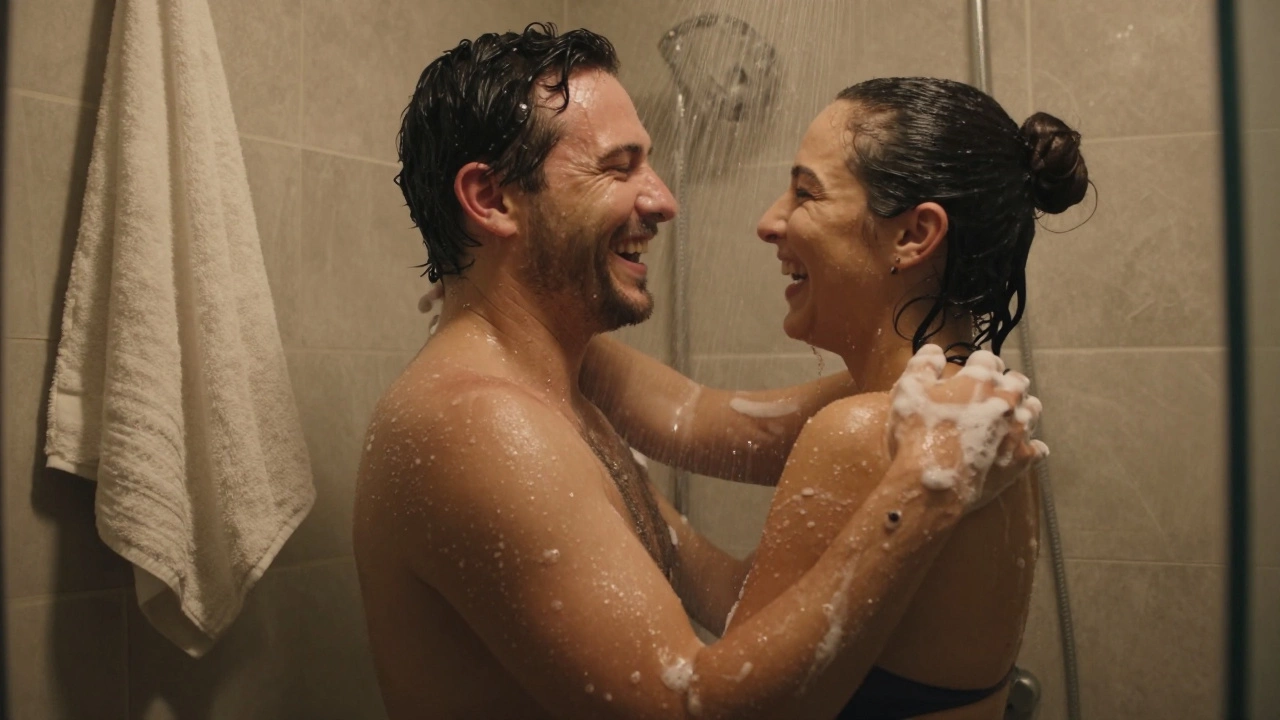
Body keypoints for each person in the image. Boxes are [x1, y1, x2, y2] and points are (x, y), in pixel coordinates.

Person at [354, 25, 1045, 720]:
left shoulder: (922, 423)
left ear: (917, 235)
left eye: (805, 192)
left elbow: (696, 423)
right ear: (493, 199)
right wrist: (921, 493)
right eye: (620, 167)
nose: (664, 200)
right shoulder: (484, 426)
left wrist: (521, 321)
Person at [581, 77, 1088, 719]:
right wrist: (545, 326)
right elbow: (694, 418)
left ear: (913, 235)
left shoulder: (867, 431)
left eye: (806, 193)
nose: (769, 221)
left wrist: (609, 476)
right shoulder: (956, 408)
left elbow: (748, 676)